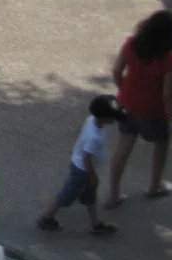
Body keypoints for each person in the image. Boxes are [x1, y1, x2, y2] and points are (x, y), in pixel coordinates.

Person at [106, 10, 172, 207]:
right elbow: (168, 95)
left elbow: (116, 71)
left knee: (122, 149)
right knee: (161, 144)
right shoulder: (168, 60)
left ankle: (114, 194)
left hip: (127, 106)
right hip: (153, 112)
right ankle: (155, 185)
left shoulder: (131, 44)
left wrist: (123, 90)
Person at [38, 95, 122, 236]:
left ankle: (95, 223)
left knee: (90, 196)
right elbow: (86, 158)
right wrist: (93, 176)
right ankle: (47, 217)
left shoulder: (91, 120)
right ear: (104, 117)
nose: (115, 118)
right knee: (66, 195)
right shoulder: (93, 137)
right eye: (112, 116)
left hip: (83, 169)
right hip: (82, 172)